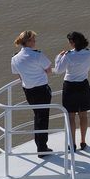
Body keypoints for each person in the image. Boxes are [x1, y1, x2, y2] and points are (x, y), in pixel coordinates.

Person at [11, 30, 53, 159]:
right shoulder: (37, 55)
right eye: (33, 40)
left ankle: (40, 145)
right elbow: (49, 70)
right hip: (41, 90)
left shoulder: (15, 58)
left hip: (28, 91)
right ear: (28, 42)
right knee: (43, 118)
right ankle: (42, 148)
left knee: (37, 116)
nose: (35, 42)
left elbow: (19, 76)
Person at [54, 31, 90, 151]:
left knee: (71, 116)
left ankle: (72, 143)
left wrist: (59, 57)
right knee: (83, 115)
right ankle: (83, 141)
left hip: (70, 86)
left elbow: (58, 70)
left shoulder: (68, 56)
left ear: (72, 43)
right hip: (83, 85)